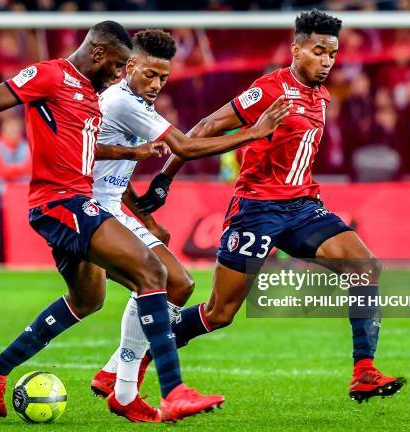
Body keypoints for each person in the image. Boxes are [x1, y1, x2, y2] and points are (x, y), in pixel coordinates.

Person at [0, 21, 289, 423]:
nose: (120, 75)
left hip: (82, 203)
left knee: (88, 300)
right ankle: (168, 391)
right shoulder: (54, 75)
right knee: (157, 276)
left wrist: (140, 199)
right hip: (64, 203)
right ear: (103, 55)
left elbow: (89, 154)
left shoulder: (90, 94)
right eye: (123, 67)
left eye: (160, 77)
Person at [134, 10, 406, 404]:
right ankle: (138, 358)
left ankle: (363, 372)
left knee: (365, 267)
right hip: (257, 210)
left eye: (332, 53)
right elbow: (208, 126)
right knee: (219, 313)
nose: (327, 60)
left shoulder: (322, 95)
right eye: (318, 51)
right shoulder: (270, 88)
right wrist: (164, 179)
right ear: (296, 50)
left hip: (301, 208)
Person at [89, 28, 291, 422]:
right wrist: (254, 131)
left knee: (167, 285)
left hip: (109, 207)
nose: (157, 84)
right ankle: (122, 380)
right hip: (92, 213)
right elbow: (185, 145)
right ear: (130, 65)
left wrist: (145, 216)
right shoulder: (122, 102)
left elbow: (110, 171)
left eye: (163, 78)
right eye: (150, 74)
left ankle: (115, 378)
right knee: (163, 282)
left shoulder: (128, 101)